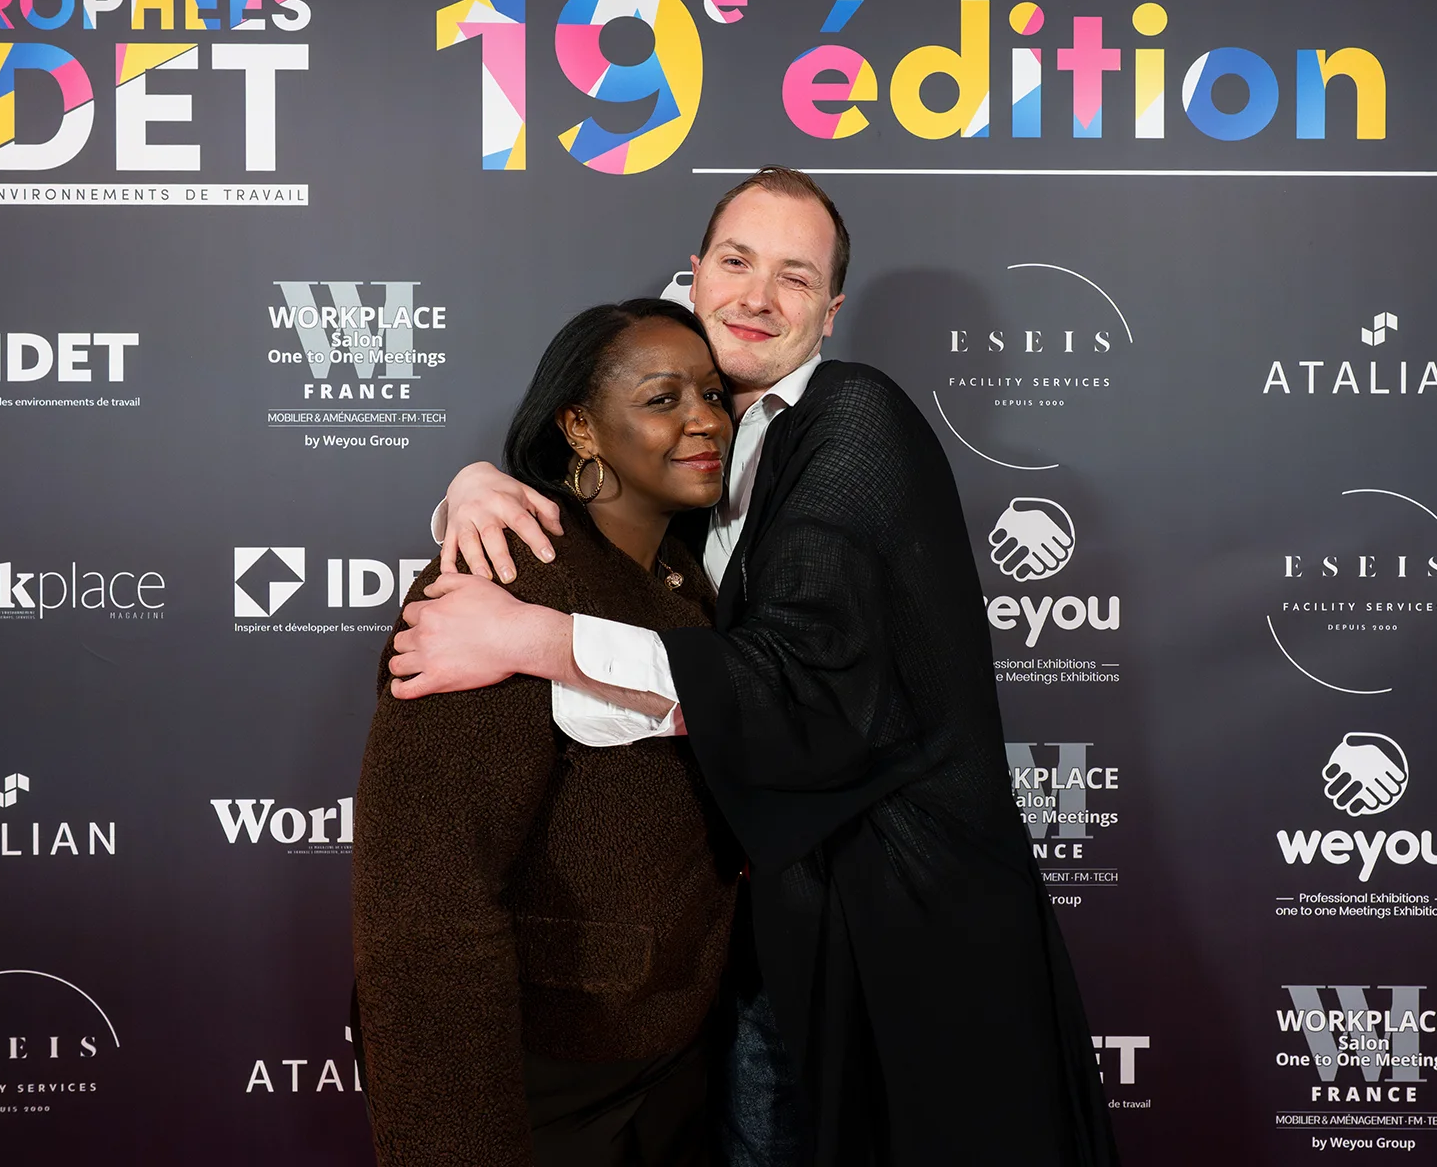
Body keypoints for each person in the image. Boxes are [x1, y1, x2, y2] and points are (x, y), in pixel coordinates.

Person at [389, 168, 1119, 1166]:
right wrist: (474, 484)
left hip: (899, 925)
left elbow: (800, 681)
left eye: (795, 276)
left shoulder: (854, 418)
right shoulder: (705, 430)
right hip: (751, 941)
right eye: (737, 262)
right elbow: (598, 452)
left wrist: (530, 638)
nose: (758, 296)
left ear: (831, 312)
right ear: (694, 274)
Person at [352, 299, 741, 1167]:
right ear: (580, 426)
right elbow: (425, 895)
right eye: (663, 398)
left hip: (670, 1056)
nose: (705, 420)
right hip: (541, 1079)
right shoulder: (503, 572)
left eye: (714, 395)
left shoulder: (691, 576)